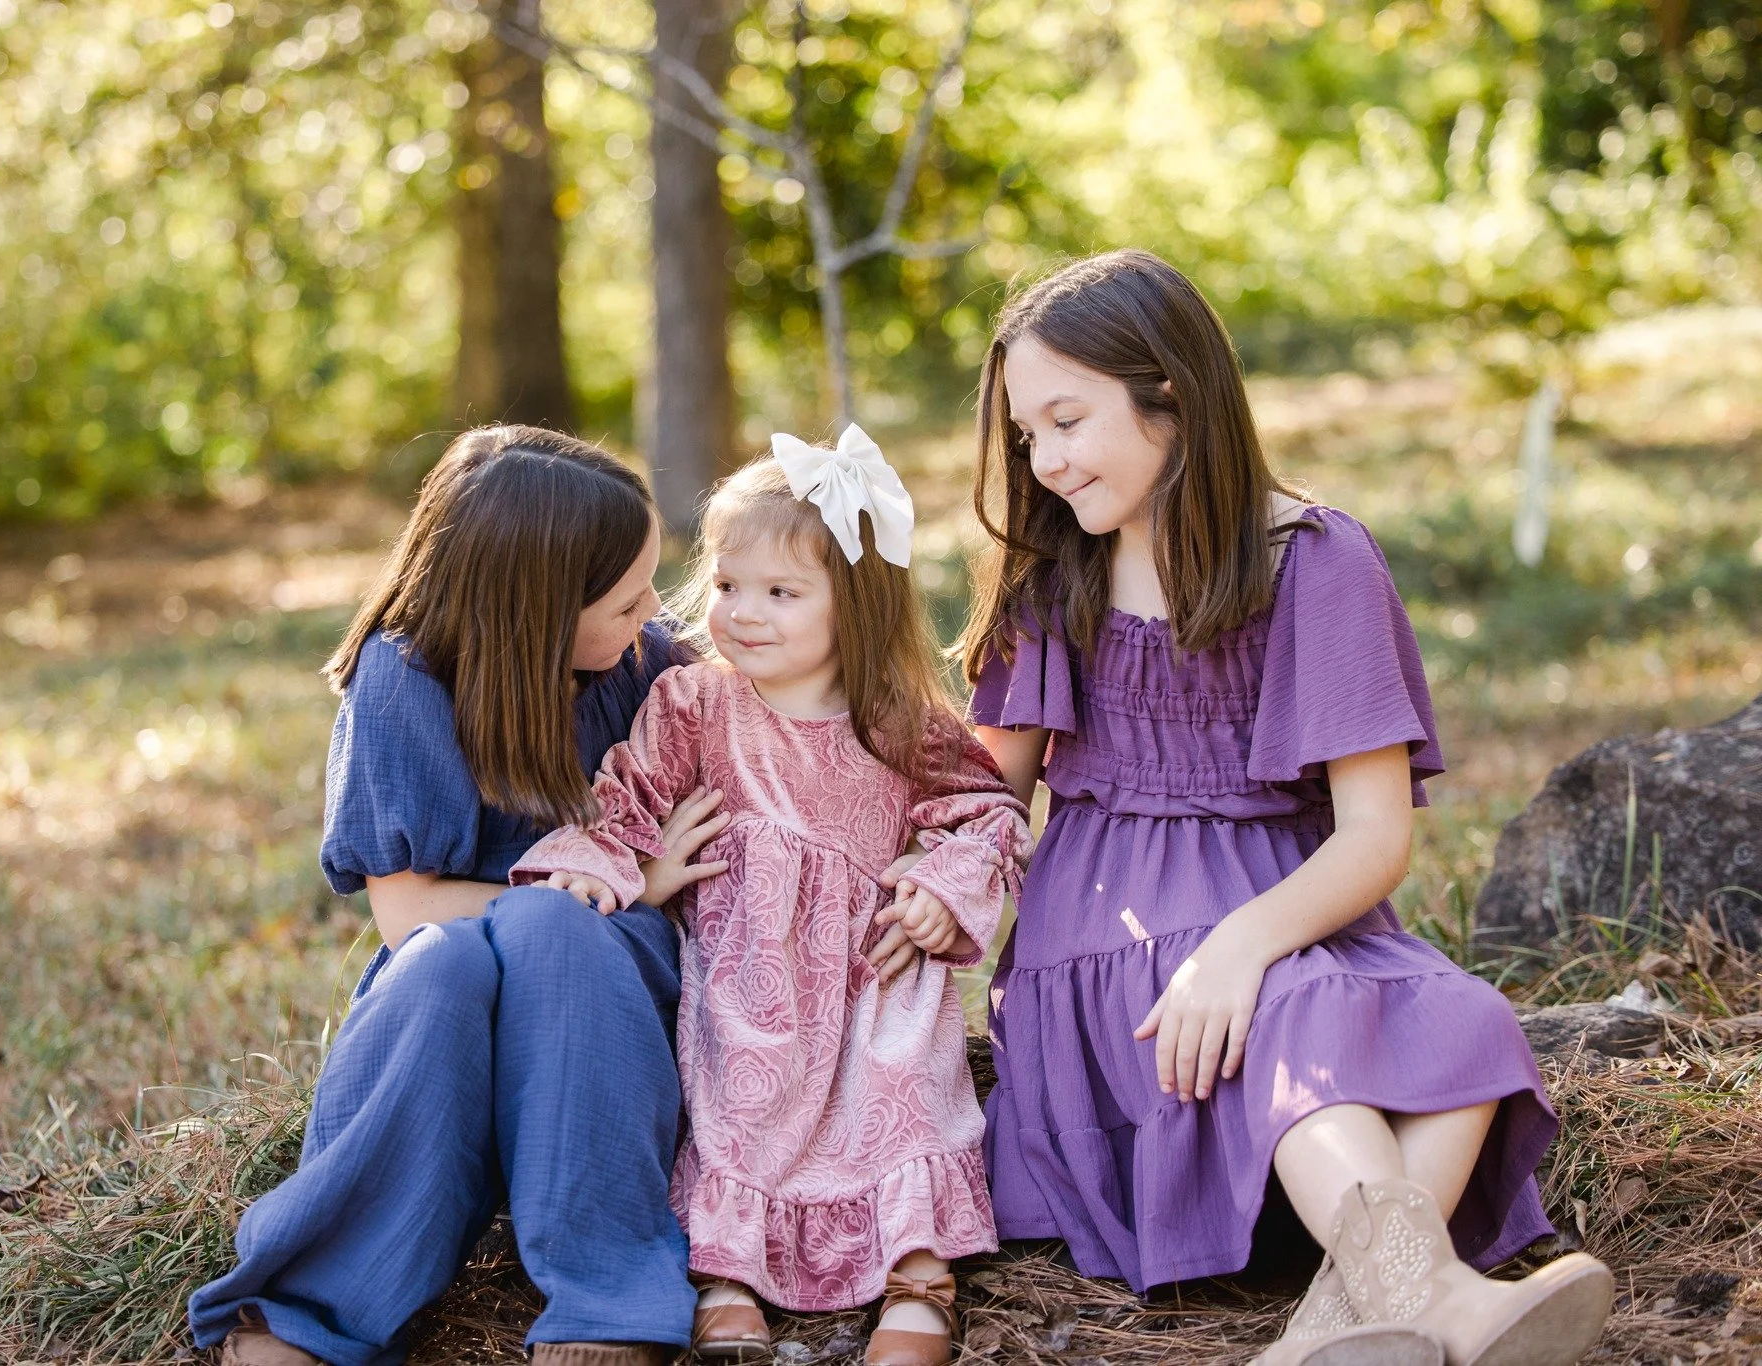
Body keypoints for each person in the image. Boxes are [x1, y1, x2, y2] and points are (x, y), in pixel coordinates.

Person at [956, 250, 1613, 1366]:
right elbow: (980, 799)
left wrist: (1242, 945)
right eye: (1027, 434)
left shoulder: (1315, 559)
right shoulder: (1051, 579)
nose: (1046, 458)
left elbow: (1375, 833)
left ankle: (1341, 1331)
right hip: (1109, 942)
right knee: (1298, 1014)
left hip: (1291, 914)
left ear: (1169, 390)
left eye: (1067, 419)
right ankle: (1446, 1306)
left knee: (1465, 1024)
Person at [189, 425, 727, 1366]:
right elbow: (405, 913)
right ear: (539, 610)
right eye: (627, 595)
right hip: (463, 972)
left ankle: (605, 1300)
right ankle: (314, 1310)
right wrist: (605, 879)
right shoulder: (403, 680)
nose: (653, 610)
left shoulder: (647, 668)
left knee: (558, 934)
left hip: (607, 984)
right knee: (438, 970)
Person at [512, 435, 1032, 1366]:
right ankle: (729, 1277)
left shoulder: (898, 717)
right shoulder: (694, 704)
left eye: (780, 594)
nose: (742, 614)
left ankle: (918, 1275)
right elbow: (628, 796)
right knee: (731, 1100)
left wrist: (936, 889)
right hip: (751, 979)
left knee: (909, 1087)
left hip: (873, 972)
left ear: (857, 604)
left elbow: (989, 809)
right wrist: (598, 863)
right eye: (726, 585)